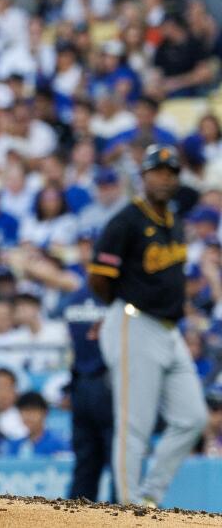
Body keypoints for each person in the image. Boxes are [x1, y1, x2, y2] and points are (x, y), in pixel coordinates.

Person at [90, 145, 208, 506]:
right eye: (157, 171)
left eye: (171, 172)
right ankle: (128, 507)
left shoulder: (173, 221)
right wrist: (123, 307)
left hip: (168, 330)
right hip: (133, 322)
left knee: (193, 418)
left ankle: (149, 496)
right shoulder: (125, 221)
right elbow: (99, 278)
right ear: (143, 176)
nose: (164, 177)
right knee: (134, 426)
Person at [63, 265, 113, 501]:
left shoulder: (74, 298)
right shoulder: (115, 300)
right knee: (119, 462)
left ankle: (74, 520)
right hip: (107, 385)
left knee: (85, 464)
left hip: (80, 384)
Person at [3, 391, 69, 458]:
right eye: (24, 411)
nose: (28, 416)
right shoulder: (14, 446)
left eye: (33, 411)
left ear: (45, 412)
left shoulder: (60, 444)